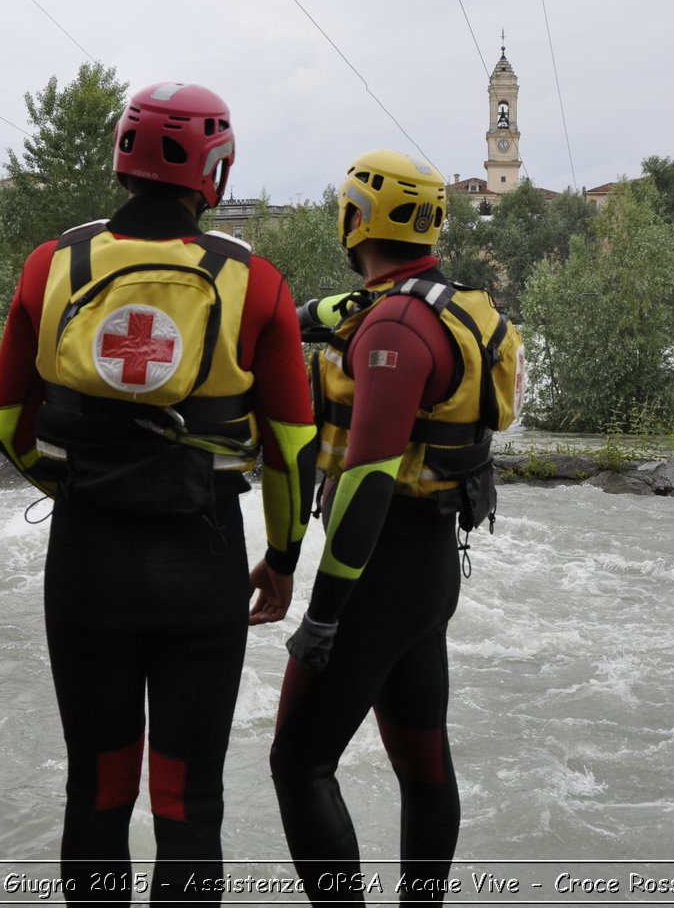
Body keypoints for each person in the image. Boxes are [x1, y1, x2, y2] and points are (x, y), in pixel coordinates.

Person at [0, 81, 317, 903]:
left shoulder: (52, 262)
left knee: (96, 793)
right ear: (217, 168)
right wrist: (281, 556)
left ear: (121, 158)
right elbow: (291, 446)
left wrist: (73, 483)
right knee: (186, 801)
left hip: (87, 557)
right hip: (201, 558)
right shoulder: (258, 282)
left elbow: (5, 422)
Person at [271, 149, 520, 904]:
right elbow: (327, 316)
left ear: (357, 217)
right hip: (430, 564)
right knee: (423, 762)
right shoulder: (438, 303)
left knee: (299, 763)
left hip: (375, 567)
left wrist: (322, 613)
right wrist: (287, 318)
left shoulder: (398, 327)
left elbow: (370, 480)